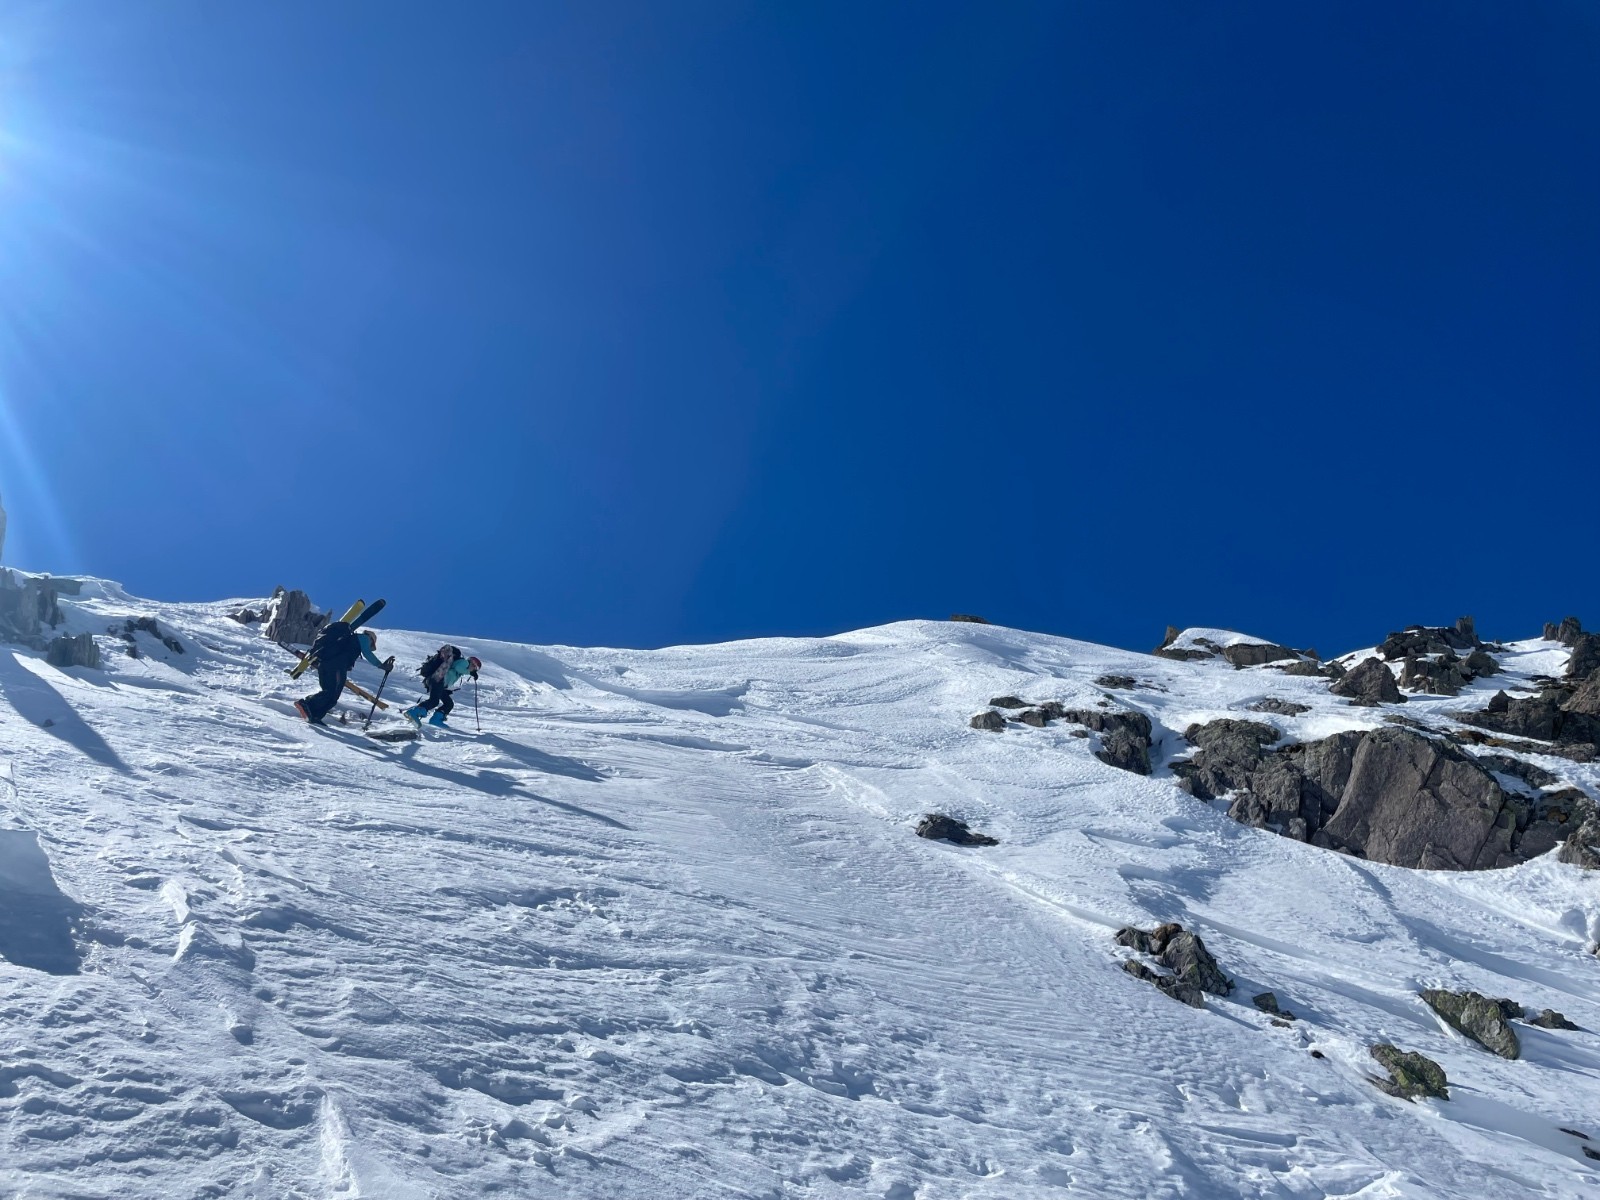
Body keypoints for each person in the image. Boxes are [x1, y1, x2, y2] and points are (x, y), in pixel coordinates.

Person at [295, 624, 394, 725]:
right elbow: (367, 653)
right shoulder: (364, 638)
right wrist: (381, 665)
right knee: (332, 692)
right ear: (371, 639)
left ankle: (314, 715)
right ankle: (306, 703)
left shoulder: (348, 640)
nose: (369, 646)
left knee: (331, 694)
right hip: (336, 666)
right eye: (371, 644)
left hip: (325, 664)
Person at [406, 645, 481, 727]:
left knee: (449, 703)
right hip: (438, 679)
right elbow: (458, 667)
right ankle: (414, 712)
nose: (474, 670)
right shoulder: (464, 662)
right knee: (434, 701)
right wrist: (470, 672)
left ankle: (436, 719)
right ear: (472, 663)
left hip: (438, 682)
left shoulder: (461, 667)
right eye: (475, 667)